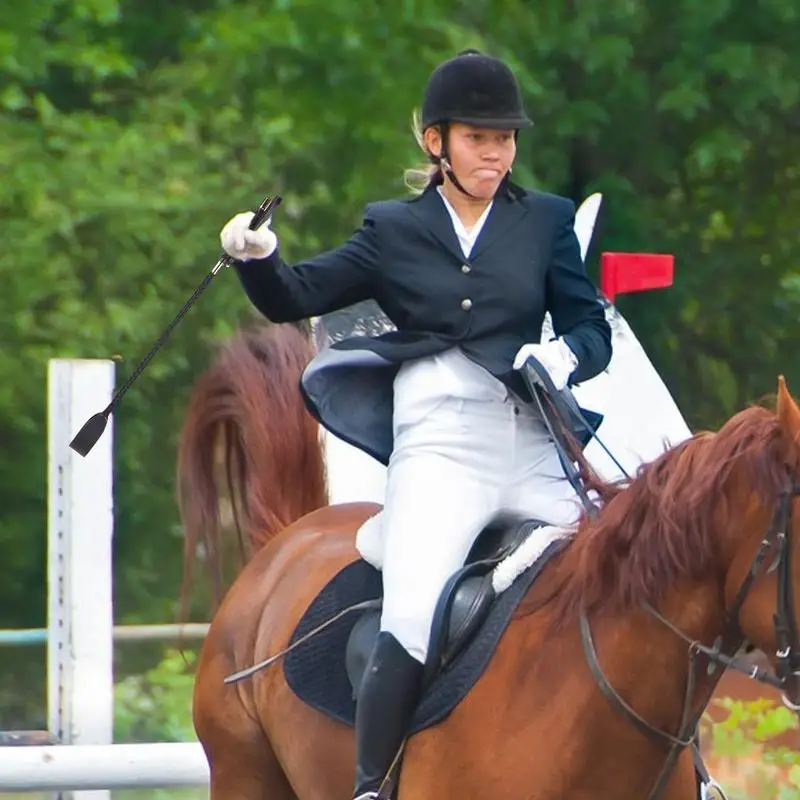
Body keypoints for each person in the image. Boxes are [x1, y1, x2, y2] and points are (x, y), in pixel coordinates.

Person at [219, 49, 612, 800]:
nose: (496, 152)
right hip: (441, 449)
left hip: (529, 441)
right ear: (437, 143)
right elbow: (295, 294)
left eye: (505, 139)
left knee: (612, 583)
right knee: (413, 605)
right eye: (478, 138)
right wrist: (259, 257)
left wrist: (564, 355)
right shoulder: (394, 229)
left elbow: (590, 328)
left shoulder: (547, 223)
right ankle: (374, 784)